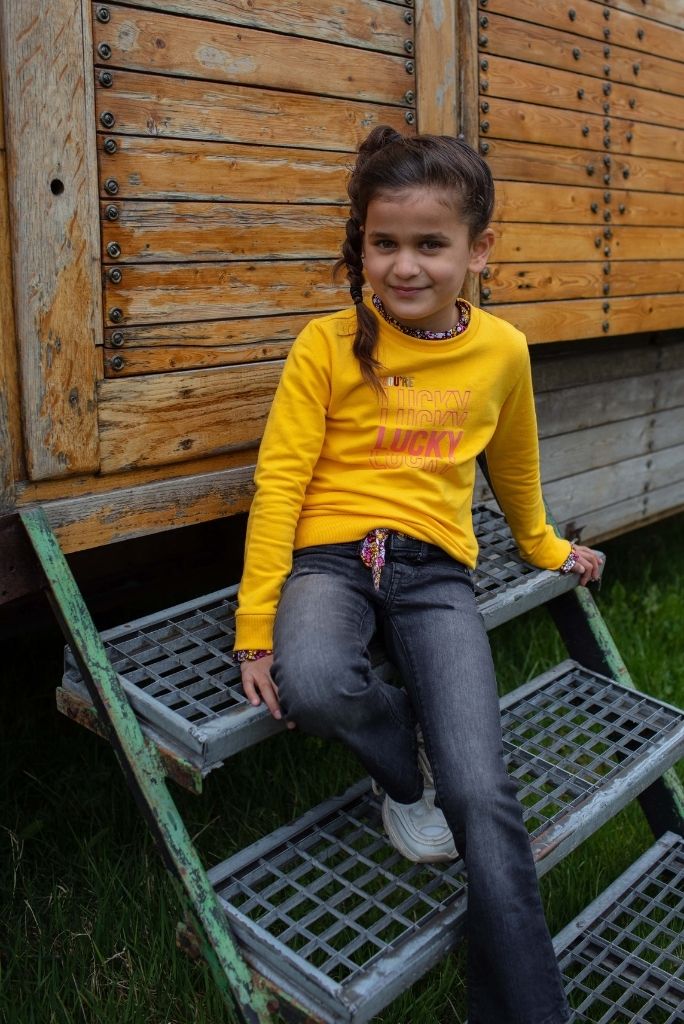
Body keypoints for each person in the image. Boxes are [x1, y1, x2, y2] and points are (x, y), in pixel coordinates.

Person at [232, 125, 602, 1024]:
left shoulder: (503, 351)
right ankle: (405, 774)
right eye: (383, 242)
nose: (404, 265)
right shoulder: (324, 345)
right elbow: (279, 481)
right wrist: (255, 624)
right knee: (313, 683)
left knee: (483, 794)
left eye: (431, 244)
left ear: (479, 250)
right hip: (330, 558)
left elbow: (514, 467)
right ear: (359, 242)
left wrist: (545, 545)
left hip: (436, 571)